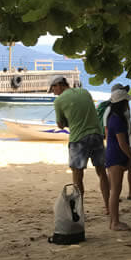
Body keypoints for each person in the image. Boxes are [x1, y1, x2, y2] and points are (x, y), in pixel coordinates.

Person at [51, 75, 109, 213]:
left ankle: (79, 210)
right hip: (96, 134)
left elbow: (60, 124)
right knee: (102, 173)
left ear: (59, 85)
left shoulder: (58, 101)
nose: (54, 92)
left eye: (53, 89)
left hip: (78, 139)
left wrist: (67, 122)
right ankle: (108, 207)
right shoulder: (84, 92)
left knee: (77, 176)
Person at [103, 83, 131, 201]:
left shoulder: (124, 109)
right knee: (114, 172)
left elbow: (128, 123)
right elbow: (107, 129)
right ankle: (112, 195)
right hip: (116, 146)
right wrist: (110, 145)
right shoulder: (110, 111)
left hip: (125, 142)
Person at [104, 88, 131, 231]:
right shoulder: (117, 120)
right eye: (126, 102)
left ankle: (113, 221)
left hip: (114, 155)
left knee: (115, 190)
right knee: (115, 191)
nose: (128, 105)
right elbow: (122, 143)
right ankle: (115, 222)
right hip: (115, 157)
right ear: (122, 103)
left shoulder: (113, 117)